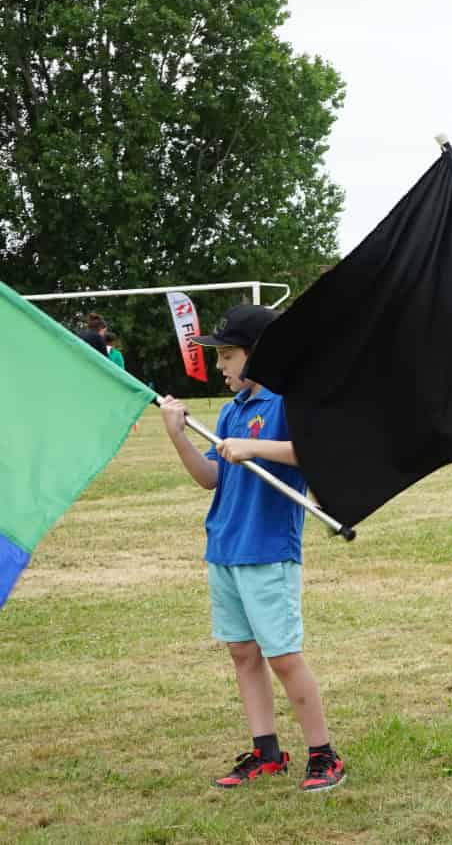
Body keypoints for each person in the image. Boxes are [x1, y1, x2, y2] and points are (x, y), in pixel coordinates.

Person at [156, 303, 345, 792]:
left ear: (259, 355)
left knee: (282, 656)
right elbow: (210, 478)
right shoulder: (230, 410)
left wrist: (254, 448)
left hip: (267, 549)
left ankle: (324, 755)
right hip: (224, 547)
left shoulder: (286, 403)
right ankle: (267, 752)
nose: (219, 366)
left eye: (227, 355)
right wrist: (179, 438)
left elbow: (317, 452)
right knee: (243, 653)